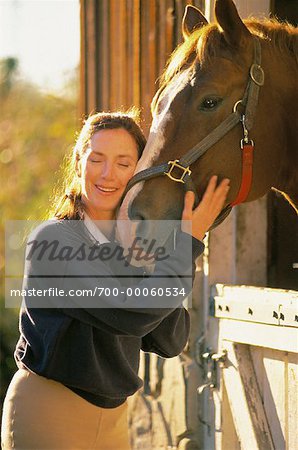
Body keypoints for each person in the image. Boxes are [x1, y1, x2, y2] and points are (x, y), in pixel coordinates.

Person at [1, 111, 230, 450]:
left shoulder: (131, 247)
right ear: (79, 164)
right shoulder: (53, 241)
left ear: (139, 172)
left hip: (113, 424)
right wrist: (188, 245)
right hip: (49, 412)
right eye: (97, 159)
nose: (108, 174)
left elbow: (169, 340)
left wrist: (156, 252)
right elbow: (131, 314)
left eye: (124, 163)